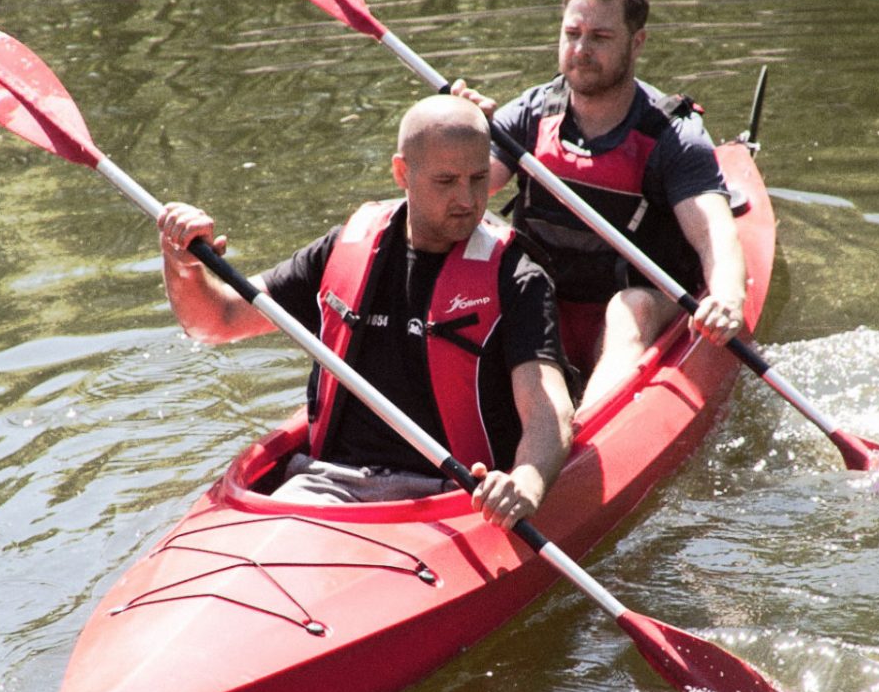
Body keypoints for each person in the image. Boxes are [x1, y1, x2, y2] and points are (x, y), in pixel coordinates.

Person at [154, 95, 574, 527]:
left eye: (478, 178)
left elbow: (550, 413)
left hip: (457, 497)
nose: (466, 199)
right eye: (446, 181)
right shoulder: (345, 248)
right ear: (402, 172)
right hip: (328, 487)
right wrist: (183, 265)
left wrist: (526, 481)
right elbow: (216, 321)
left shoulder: (517, 277)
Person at [455, 0, 747, 409]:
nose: (581, 49)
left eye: (600, 37)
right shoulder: (531, 114)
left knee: (628, 308)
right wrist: (463, 134)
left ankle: (587, 433)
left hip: (641, 305)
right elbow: (465, 194)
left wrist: (727, 296)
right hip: (544, 300)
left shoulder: (673, 136)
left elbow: (715, 235)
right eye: (572, 34)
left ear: (637, 42)